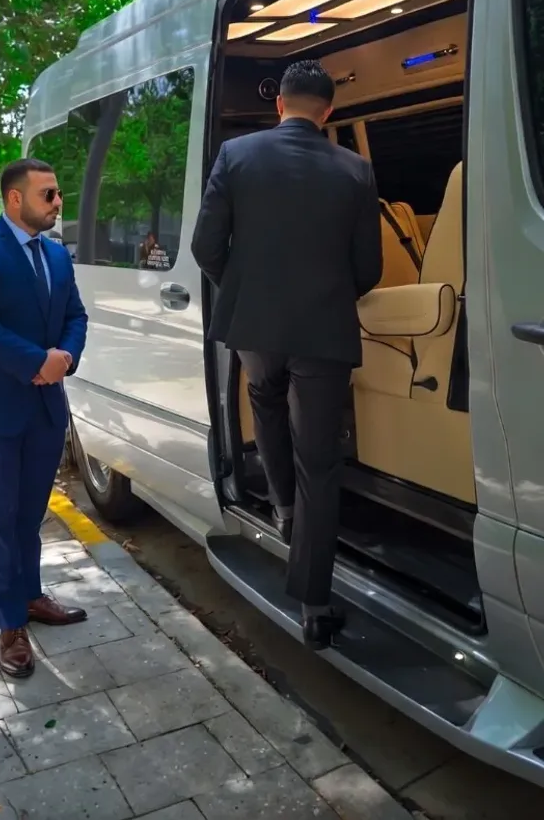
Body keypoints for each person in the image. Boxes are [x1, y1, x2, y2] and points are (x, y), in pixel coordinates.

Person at [191, 61, 382, 650]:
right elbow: (368, 268)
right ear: (329, 111)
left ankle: (281, 508)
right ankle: (314, 604)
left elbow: (205, 247)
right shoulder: (355, 169)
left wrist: (248, 292)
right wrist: (324, 298)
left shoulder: (237, 157)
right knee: (320, 459)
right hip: (324, 330)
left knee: (263, 399)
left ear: (282, 106)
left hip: (255, 325)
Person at [0, 158, 89, 678]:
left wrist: (64, 359)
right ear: (15, 199)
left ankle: (29, 596)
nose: (57, 203)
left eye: (57, 194)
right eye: (48, 195)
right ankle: (10, 626)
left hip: (46, 410)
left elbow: (76, 316)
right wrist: (37, 363)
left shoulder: (56, 256)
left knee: (29, 515)